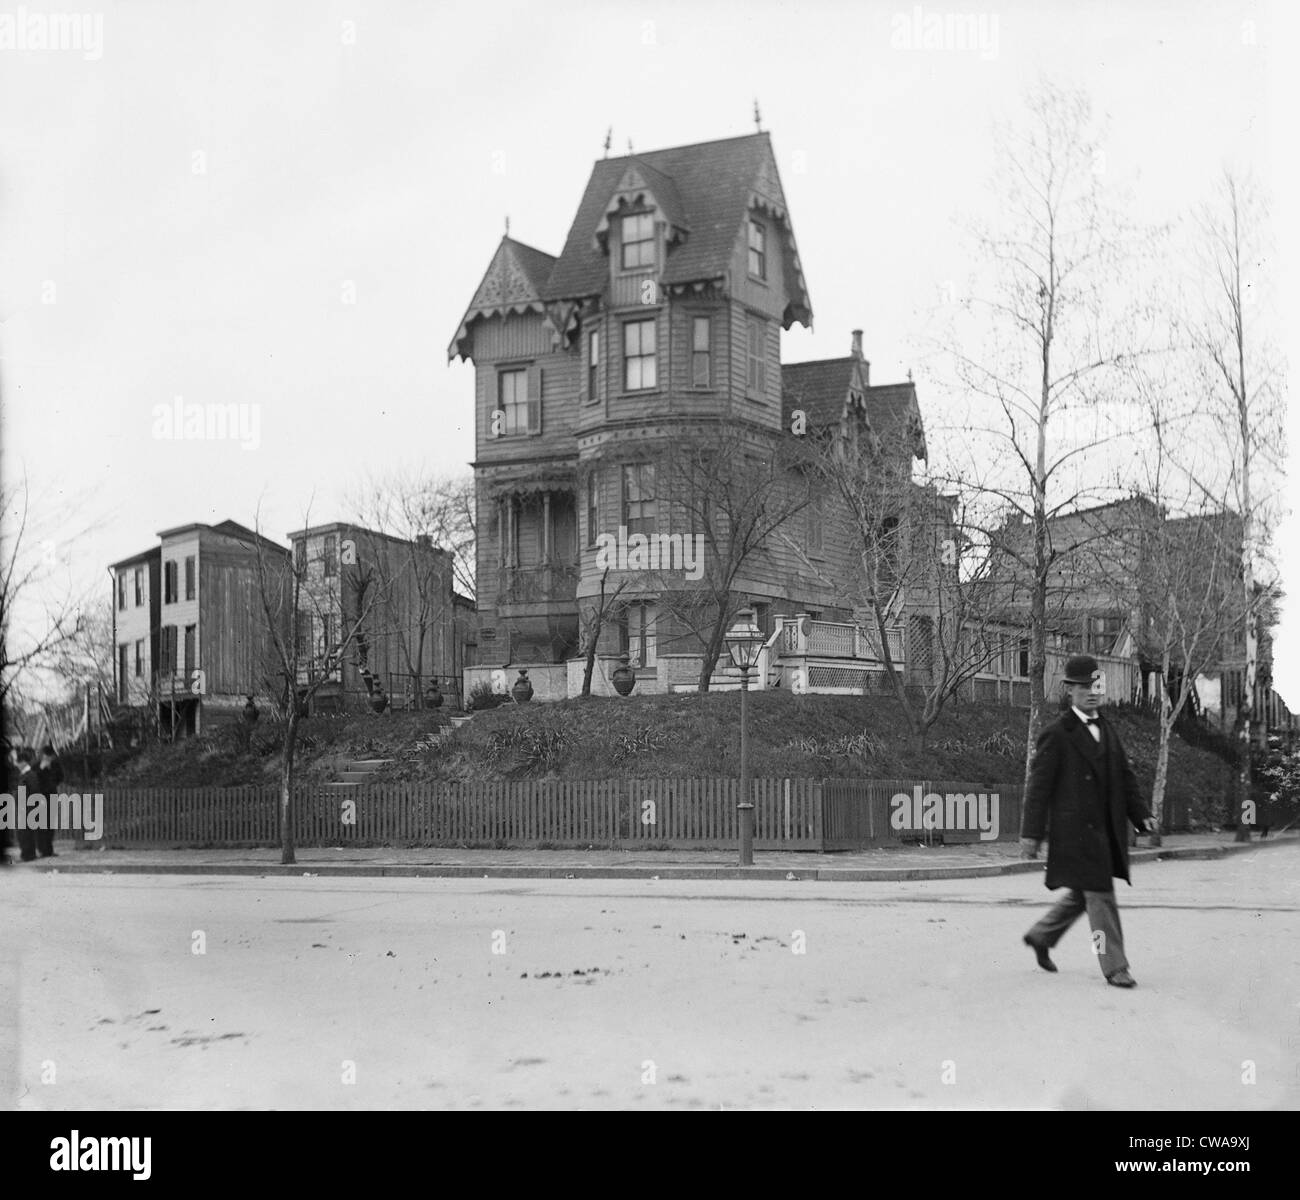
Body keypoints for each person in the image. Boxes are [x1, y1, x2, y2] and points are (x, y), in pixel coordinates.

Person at [1020, 655, 1158, 988]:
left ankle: (1041, 935)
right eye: (1083, 686)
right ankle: (1113, 965)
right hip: (1077, 834)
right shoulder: (1057, 734)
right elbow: (1038, 789)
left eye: (1096, 685)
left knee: (1085, 895)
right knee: (1100, 898)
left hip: (1105, 831)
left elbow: (1125, 778)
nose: (1091, 692)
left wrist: (1141, 816)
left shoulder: (1107, 728)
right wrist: (1031, 835)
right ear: (1070, 691)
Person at [36, 744, 63, 858]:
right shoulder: (36, 765)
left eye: (49, 757)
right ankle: (42, 850)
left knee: (50, 824)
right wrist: (41, 769)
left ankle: (49, 850)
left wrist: (52, 783)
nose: (48, 759)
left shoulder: (55, 765)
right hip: (39, 798)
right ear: (43, 756)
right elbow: (33, 779)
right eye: (46, 756)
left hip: (51, 796)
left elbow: (61, 777)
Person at [13, 747, 38, 862]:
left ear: (23, 763)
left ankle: (28, 855)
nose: (17, 765)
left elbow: (34, 791)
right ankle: (27, 854)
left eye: (18, 763)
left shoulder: (30, 775)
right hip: (23, 808)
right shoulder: (24, 775)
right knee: (23, 832)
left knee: (25, 832)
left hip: (28, 808)